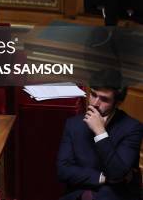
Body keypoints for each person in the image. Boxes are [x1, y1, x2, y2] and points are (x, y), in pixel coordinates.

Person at [56, 69, 143, 200]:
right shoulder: (73, 124)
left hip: (114, 195)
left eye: (104, 99)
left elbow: (117, 173)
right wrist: (103, 178)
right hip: (78, 194)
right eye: (93, 94)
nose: (95, 103)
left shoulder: (132, 128)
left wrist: (100, 132)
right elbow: (63, 171)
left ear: (117, 103)